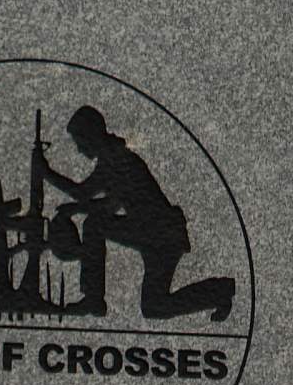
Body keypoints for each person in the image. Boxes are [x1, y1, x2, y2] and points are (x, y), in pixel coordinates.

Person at [40, 105, 235, 321]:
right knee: (154, 307)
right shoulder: (114, 157)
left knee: (94, 225)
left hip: (159, 233)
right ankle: (219, 291)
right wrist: (76, 209)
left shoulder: (116, 159)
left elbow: (83, 192)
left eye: (79, 141)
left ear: (91, 135)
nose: (78, 149)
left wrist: (46, 172)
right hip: (155, 234)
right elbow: (114, 202)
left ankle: (93, 298)